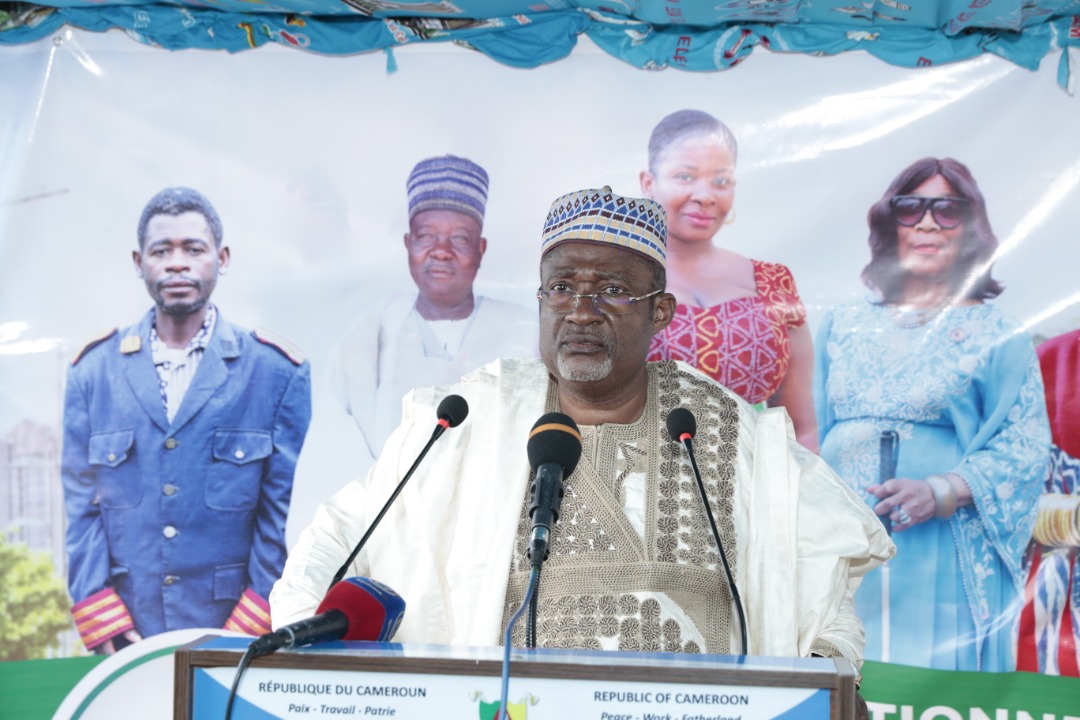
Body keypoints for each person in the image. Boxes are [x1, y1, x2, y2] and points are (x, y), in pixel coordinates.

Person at [273, 186, 892, 674]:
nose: (581, 311)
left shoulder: (724, 429)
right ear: (541, 302)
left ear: (660, 312)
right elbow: (338, 535)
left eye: (612, 290)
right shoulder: (471, 415)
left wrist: (826, 670)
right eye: (563, 287)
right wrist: (307, 647)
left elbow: (825, 568)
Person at [814, 157, 1051, 672]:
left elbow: (1025, 447)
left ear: (970, 228)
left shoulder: (999, 334)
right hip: (844, 552)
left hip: (944, 552)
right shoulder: (841, 324)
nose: (926, 222)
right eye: (910, 208)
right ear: (890, 222)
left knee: (928, 686)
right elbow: (815, 436)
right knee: (841, 678)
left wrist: (940, 491)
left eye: (947, 210)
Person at [61, 187, 312, 654]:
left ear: (222, 258)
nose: (177, 264)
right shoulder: (93, 373)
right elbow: (82, 507)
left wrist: (249, 625)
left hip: (234, 632)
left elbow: (279, 514)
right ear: (139, 262)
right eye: (161, 251)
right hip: (129, 631)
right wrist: (102, 615)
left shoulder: (275, 373)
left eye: (194, 249)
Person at [326, 154, 538, 463]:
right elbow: (335, 461)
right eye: (426, 236)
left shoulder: (529, 333)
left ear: (480, 249)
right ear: (408, 244)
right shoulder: (365, 342)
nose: (441, 251)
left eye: (459, 238)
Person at [640, 109, 818, 450]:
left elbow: (801, 428)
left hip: (753, 473)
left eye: (720, 181)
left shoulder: (773, 282)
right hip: (643, 472)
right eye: (685, 176)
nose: (705, 195)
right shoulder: (611, 283)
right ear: (649, 183)